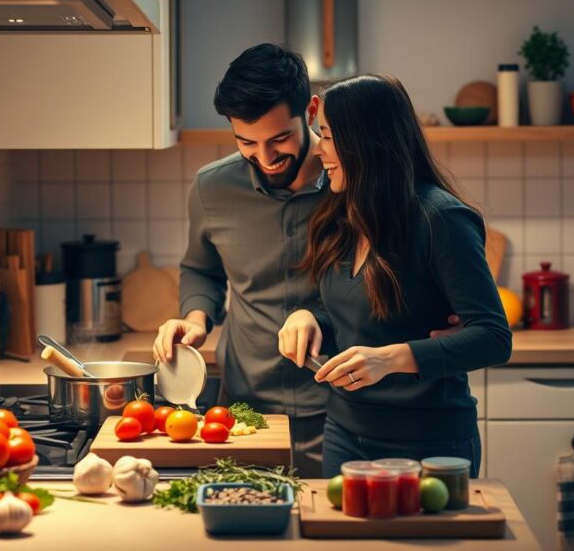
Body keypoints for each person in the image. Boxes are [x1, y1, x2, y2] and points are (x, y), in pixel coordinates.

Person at [277, 74, 512, 478]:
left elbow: (493, 338)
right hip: (345, 434)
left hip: (430, 444)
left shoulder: (440, 218)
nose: (319, 149)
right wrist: (309, 318)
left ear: (365, 144)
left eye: (329, 136)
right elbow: (352, 312)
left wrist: (390, 359)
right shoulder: (342, 213)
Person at [152, 43, 331, 477]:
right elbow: (200, 268)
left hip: (341, 407)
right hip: (244, 408)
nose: (266, 159)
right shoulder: (212, 188)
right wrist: (195, 319)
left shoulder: (351, 181)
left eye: (280, 139)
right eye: (247, 142)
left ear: (310, 111)